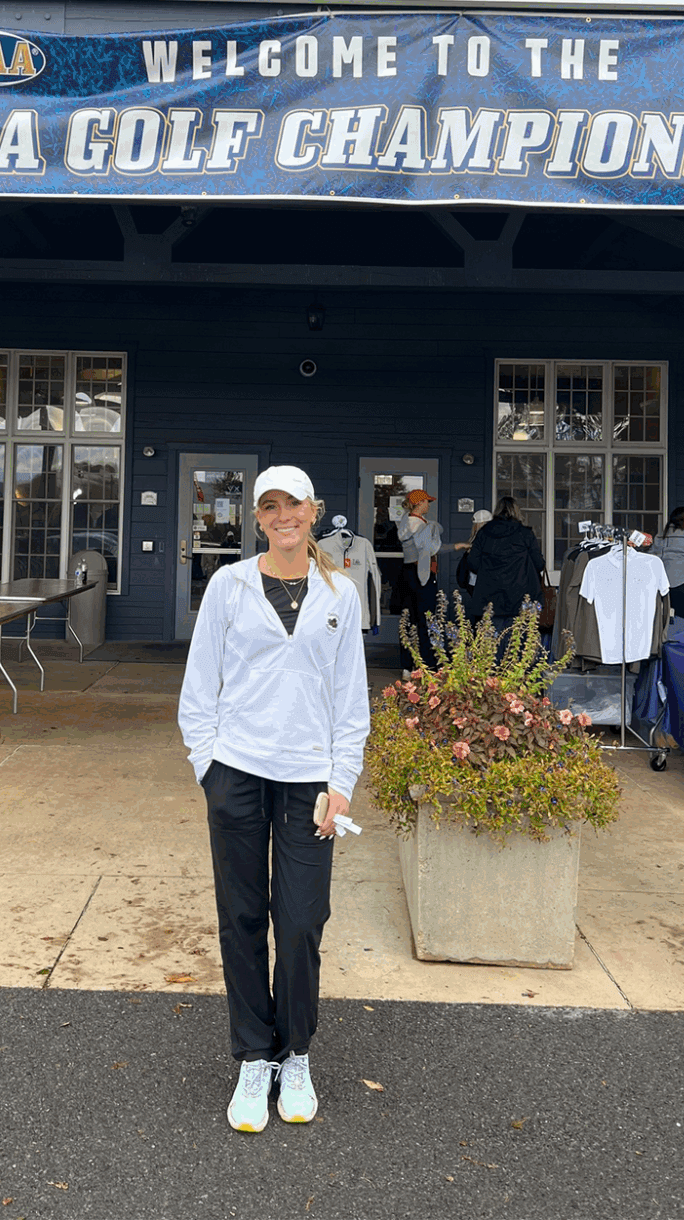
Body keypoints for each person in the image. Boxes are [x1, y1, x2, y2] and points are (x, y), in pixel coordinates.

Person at [178, 465, 370, 1134]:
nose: (283, 515)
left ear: (314, 510)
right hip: (236, 773)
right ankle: (255, 1057)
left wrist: (342, 782)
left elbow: (350, 699)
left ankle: (296, 1053)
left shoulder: (340, 592)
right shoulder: (229, 586)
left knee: (299, 921)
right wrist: (208, 767)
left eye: (294, 504)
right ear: (257, 518)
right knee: (240, 918)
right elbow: (200, 686)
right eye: (270, 506)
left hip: (309, 782)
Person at [461, 498, 547, 626]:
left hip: (489, 597)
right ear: (516, 511)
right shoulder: (525, 534)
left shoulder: (484, 533)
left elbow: (473, 563)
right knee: (518, 636)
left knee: (492, 637)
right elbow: (539, 564)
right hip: (520, 597)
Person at [394, 489, 442, 656]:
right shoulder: (418, 524)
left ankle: (408, 661)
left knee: (409, 617)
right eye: (427, 501)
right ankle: (425, 660)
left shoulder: (407, 521)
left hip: (409, 572)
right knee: (425, 617)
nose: (428, 505)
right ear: (419, 503)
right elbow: (429, 549)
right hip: (421, 572)